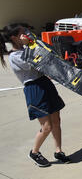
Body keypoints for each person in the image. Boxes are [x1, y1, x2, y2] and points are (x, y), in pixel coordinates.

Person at [0, 24, 70, 167]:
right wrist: (29, 46)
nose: (26, 34)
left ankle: (58, 150)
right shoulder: (15, 56)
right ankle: (34, 152)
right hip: (34, 88)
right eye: (22, 33)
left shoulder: (27, 48)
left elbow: (46, 59)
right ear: (14, 37)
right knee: (47, 126)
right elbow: (33, 63)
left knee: (56, 120)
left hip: (45, 84)